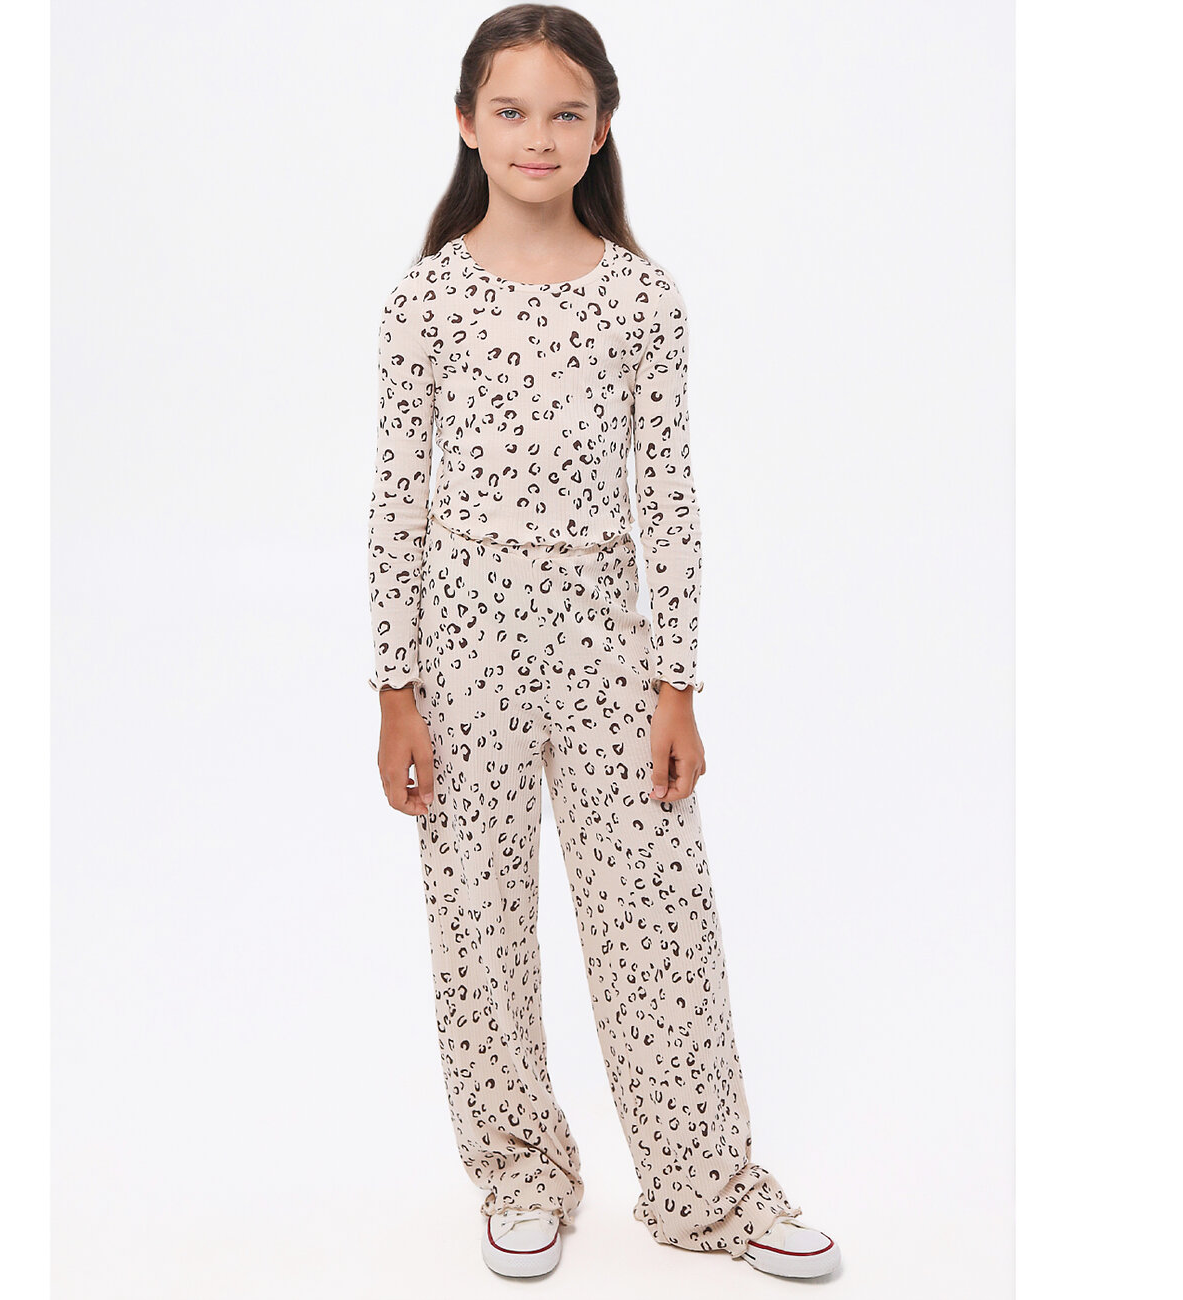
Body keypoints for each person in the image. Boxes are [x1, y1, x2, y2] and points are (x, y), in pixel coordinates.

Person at [366, 4, 839, 1282]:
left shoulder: (640, 297)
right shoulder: (426, 299)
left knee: (656, 920)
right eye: (510, 110)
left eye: (564, 112)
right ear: (466, 124)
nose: (537, 134)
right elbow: (397, 501)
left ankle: (705, 1187)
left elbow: (668, 497)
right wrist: (395, 688)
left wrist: (677, 681)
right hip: (461, 645)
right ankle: (520, 1168)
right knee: (477, 919)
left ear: (602, 127)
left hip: (604, 643)